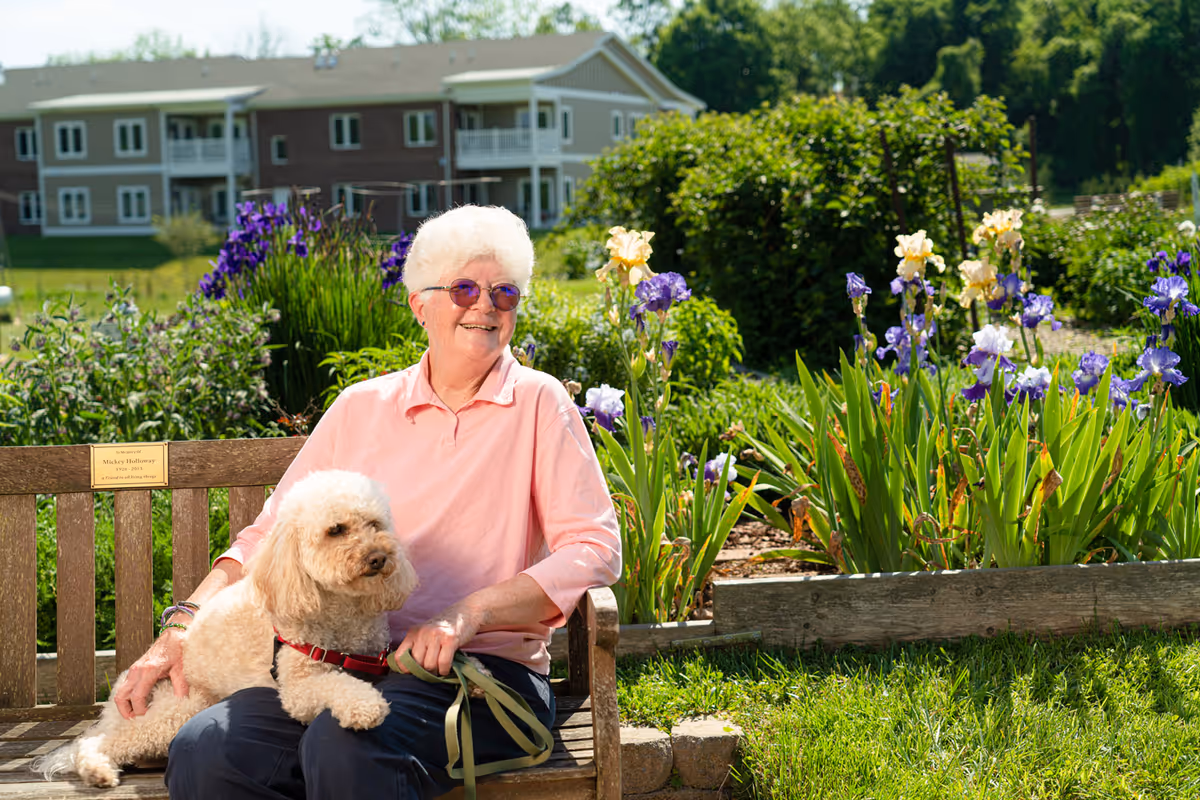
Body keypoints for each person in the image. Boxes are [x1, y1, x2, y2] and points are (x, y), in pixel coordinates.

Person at [113, 205, 622, 799]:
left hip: (479, 676)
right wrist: (182, 626)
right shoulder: (363, 407)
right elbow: (266, 534)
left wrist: (467, 614)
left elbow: (595, 547)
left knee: (345, 744)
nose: (484, 305)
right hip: (341, 665)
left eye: (504, 292)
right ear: (419, 304)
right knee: (206, 750)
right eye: (463, 288)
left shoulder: (539, 404)